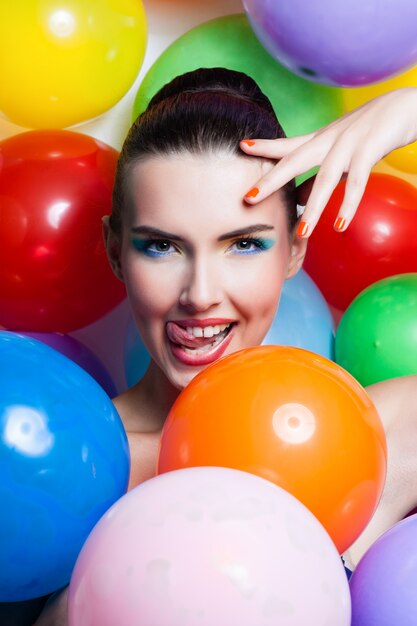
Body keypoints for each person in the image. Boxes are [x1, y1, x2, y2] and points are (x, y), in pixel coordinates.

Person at [34, 68, 417, 625]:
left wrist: (407, 111)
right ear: (116, 251)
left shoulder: (374, 437)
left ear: (293, 250)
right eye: (162, 246)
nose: (201, 294)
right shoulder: (56, 465)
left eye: (244, 245)